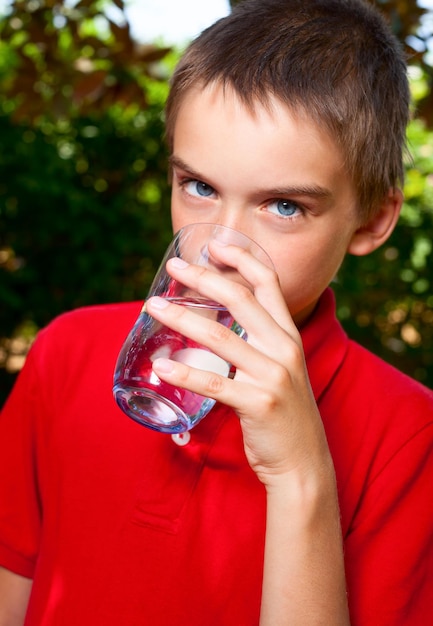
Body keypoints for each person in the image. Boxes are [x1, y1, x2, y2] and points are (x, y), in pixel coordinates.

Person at [0, 0, 432, 623]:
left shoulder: (410, 438)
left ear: (371, 219)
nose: (222, 248)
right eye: (199, 187)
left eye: (283, 205)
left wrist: (300, 478)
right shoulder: (66, 353)